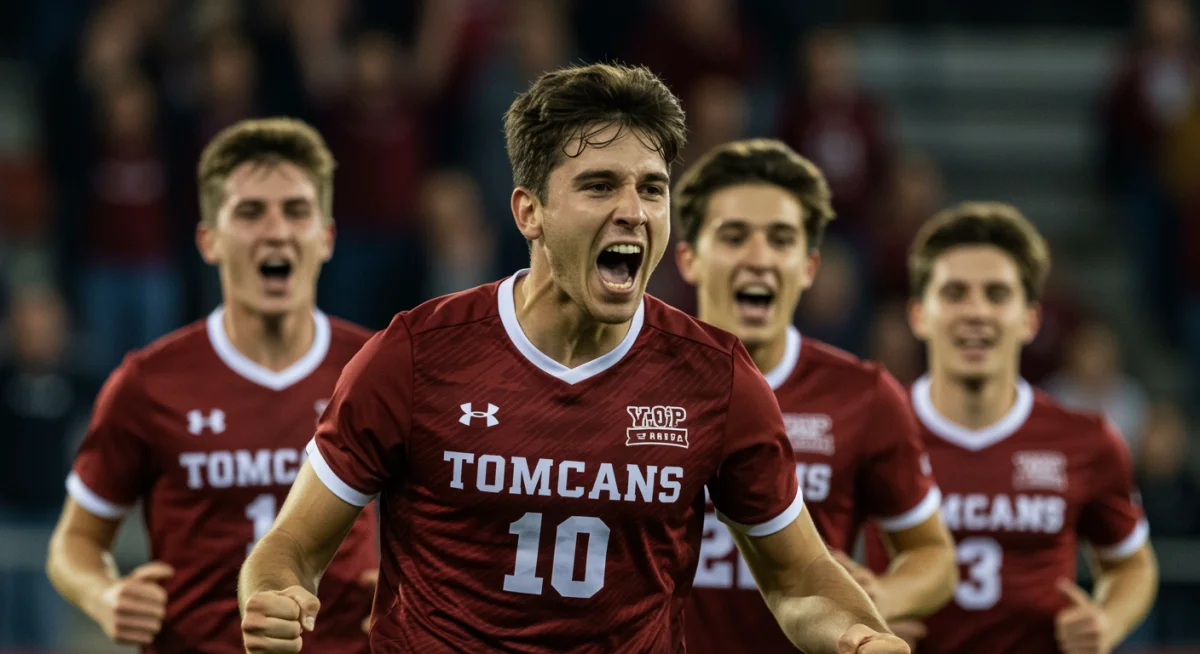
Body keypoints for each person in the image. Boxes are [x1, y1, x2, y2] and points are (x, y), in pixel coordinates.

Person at [237, 63, 909, 654]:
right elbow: (291, 546)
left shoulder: (718, 378)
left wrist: (857, 635)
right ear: (529, 213)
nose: (633, 211)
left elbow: (799, 581)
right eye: (598, 186)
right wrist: (271, 595)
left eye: (651, 189)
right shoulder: (415, 355)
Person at [45, 118, 378, 653]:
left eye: (295, 210)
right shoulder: (149, 382)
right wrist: (104, 596)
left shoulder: (376, 366)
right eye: (250, 212)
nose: (276, 231)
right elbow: (75, 542)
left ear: (326, 237)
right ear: (209, 240)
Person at [672, 138, 957, 653]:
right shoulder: (636, 381)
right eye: (734, 236)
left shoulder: (863, 395)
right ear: (689, 258)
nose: (759, 258)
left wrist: (880, 599)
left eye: (781, 239)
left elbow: (933, 557)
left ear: (808, 266)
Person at [865, 202, 1159, 654]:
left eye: (998, 294)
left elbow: (1132, 566)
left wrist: (1106, 621)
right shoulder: (869, 431)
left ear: (1031, 319)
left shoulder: (1087, 441)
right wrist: (858, 621)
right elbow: (805, 567)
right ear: (918, 315)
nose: (976, 311)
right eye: (955, 293)